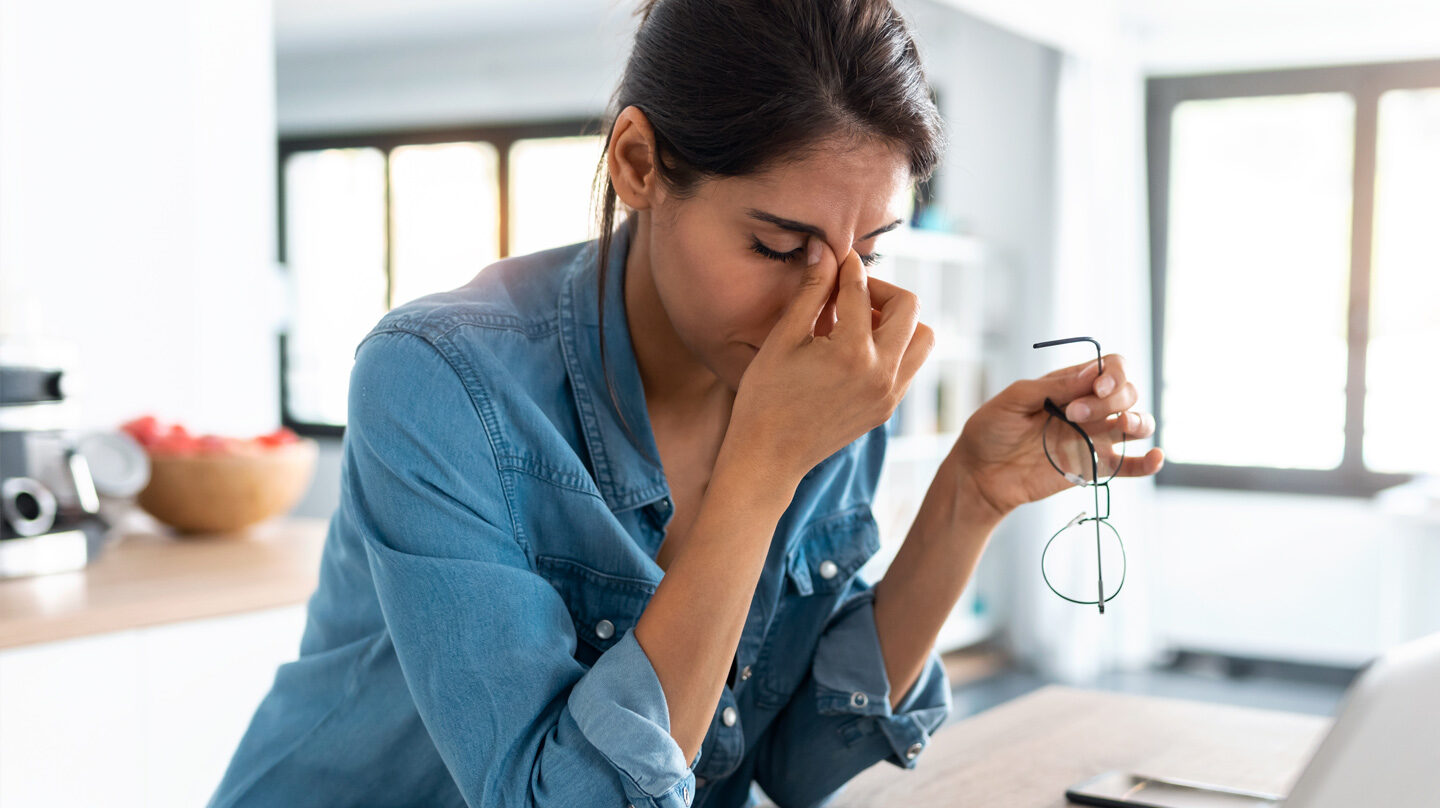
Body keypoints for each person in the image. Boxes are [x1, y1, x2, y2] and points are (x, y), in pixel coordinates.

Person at [208, 1, 1164, 806]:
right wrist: (761, 469)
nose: (829, 307)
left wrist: (969, 497)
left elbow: (792, 761)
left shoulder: (826, 378)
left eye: (869, 251)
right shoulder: (441, 379)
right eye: (780, 247)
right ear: (636, 163)